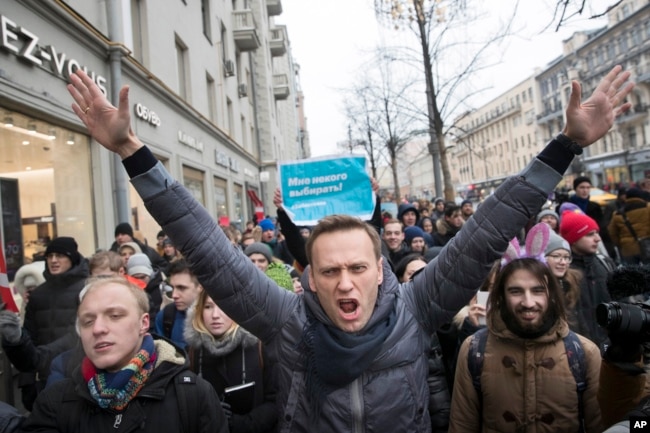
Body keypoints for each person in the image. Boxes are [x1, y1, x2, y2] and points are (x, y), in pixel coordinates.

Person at [67, 64, 634, 432]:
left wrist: (566, 146)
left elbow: (488, 228)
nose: (344, 282)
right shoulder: (286, 320)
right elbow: (207, 247)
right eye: (329, 269)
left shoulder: (416, 309)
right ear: (307, 278)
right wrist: (134, 153)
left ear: (381, 273)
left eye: (357, 267)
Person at [20, 277, 227, 433]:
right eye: (88, 321)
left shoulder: (192, 395)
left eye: (115, 316)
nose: (98, 329)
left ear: (143, 323)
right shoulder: (55, 402)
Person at [449, 223, 602, 432]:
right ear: (501, 296)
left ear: (552, 294)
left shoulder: (584, 353)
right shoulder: (474, 350)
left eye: (538, 290)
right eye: (516, 291)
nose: (528, 302)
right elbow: (462, 425)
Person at [184, 289, 278, 433]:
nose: (215, 315)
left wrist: (240, 423)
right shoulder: (192, 353)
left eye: (223, 306)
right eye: (208, 307)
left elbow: (275, 401)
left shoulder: (258, 347)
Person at [19, 236, 89, 411]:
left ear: (71, 258)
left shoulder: (86, 290)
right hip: (44, 377)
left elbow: (80, 333)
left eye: (60, 255)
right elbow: (29, 337)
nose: (54, 260)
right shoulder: (37, 295)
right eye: (49, 256)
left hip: (79, 373)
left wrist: (44, 354)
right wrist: (27, 381)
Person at [560, 209, 613, 351]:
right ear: (573, 240)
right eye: (590, 234)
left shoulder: (605, 264)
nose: (598, 238)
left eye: (596, 233)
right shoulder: (563, 273)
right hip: (580, 349)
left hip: (611, 347)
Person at [154, 259, 201, 348]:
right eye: (173, 287)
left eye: (181, 288)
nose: (174, 295)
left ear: (200, 287)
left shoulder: (217, 317)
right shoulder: (166, 316)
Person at [569, 176, 617, 258]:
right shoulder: (567, 206)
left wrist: (609, 248)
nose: (585, 190)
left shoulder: (595, 207)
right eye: (582, 187)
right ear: (575, 189)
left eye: (588, 188)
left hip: (593, 245)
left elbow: (602, 229)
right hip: (573, 246)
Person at [608, 187, 650, 265]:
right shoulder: (647, 208)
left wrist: (621, 243)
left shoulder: (617, 213)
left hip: (628, 249)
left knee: (632, 275)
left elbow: (612, 232)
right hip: (647, 247)